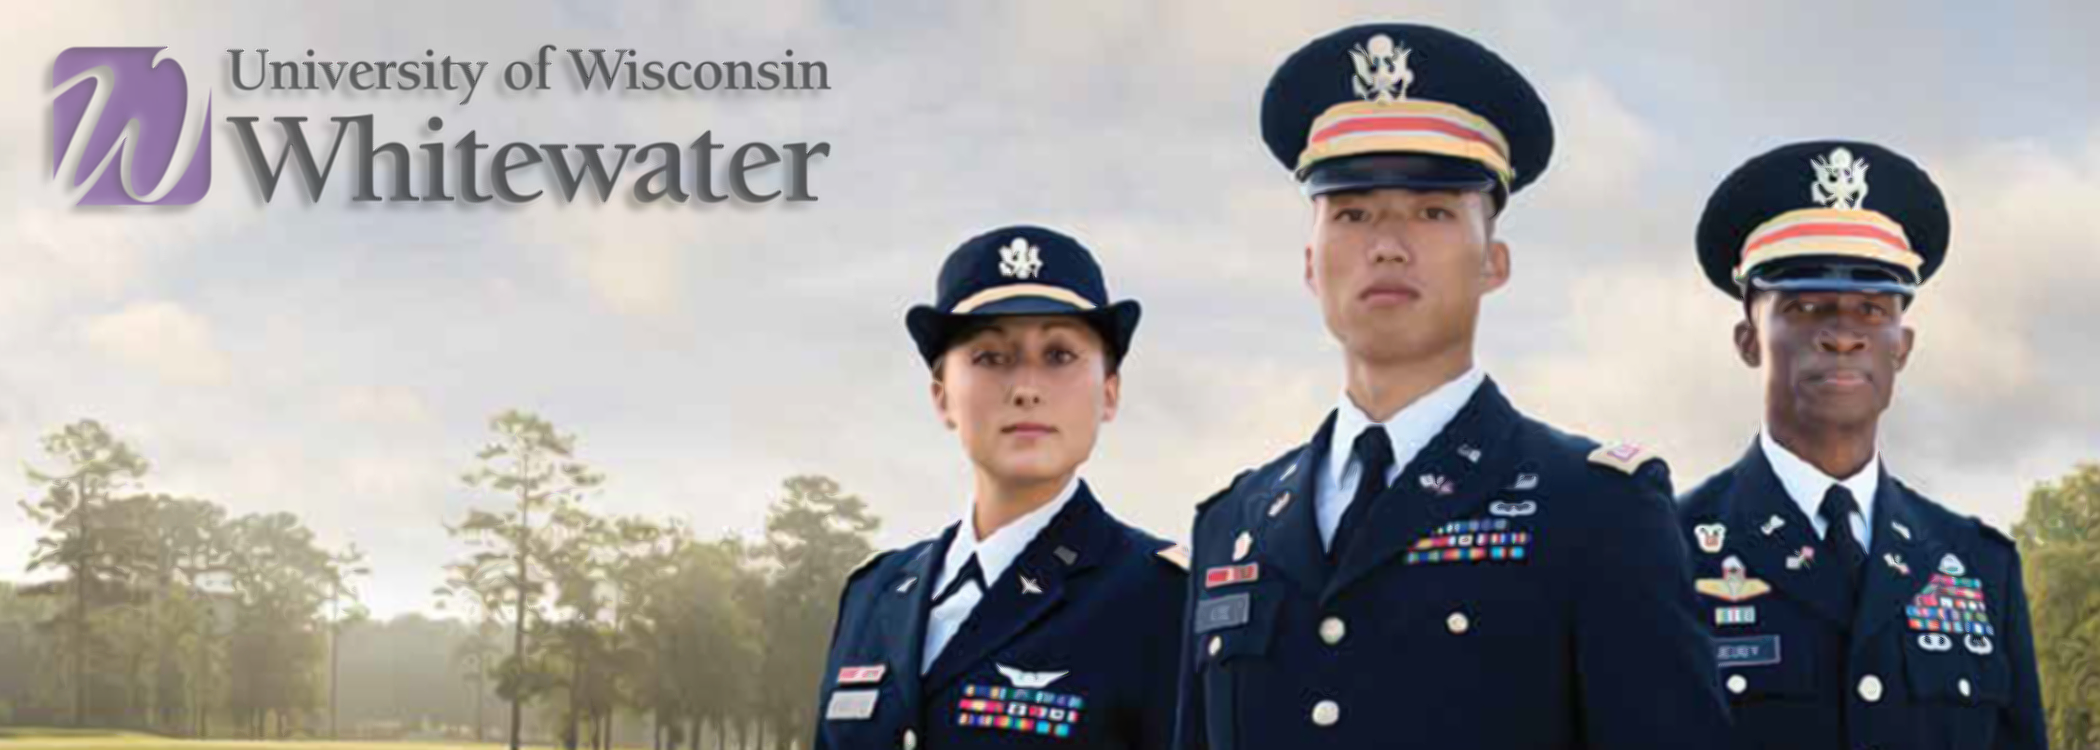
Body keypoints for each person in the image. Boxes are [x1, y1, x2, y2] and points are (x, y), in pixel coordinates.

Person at [1171, 22, 1730, 750]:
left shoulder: (1598, 508)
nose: (1387, 244)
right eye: (1352, 211)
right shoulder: (1232, 523)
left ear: (1494, 262)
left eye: (1433, 211)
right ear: (1310, 263)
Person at [1677, 139, 2048, 750]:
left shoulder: (1980, 566)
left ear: (1902, 346)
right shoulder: (1662, 552)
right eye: (1804, 306)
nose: (1843, 334)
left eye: (1873, 310)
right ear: (1748, 340)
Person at [814, 225, 1187, 750]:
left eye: (1058, 355)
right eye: (991, 357)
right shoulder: (872, 594)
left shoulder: (1165, 599)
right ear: (942, 397)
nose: (1027, 389)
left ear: (1109, 392)